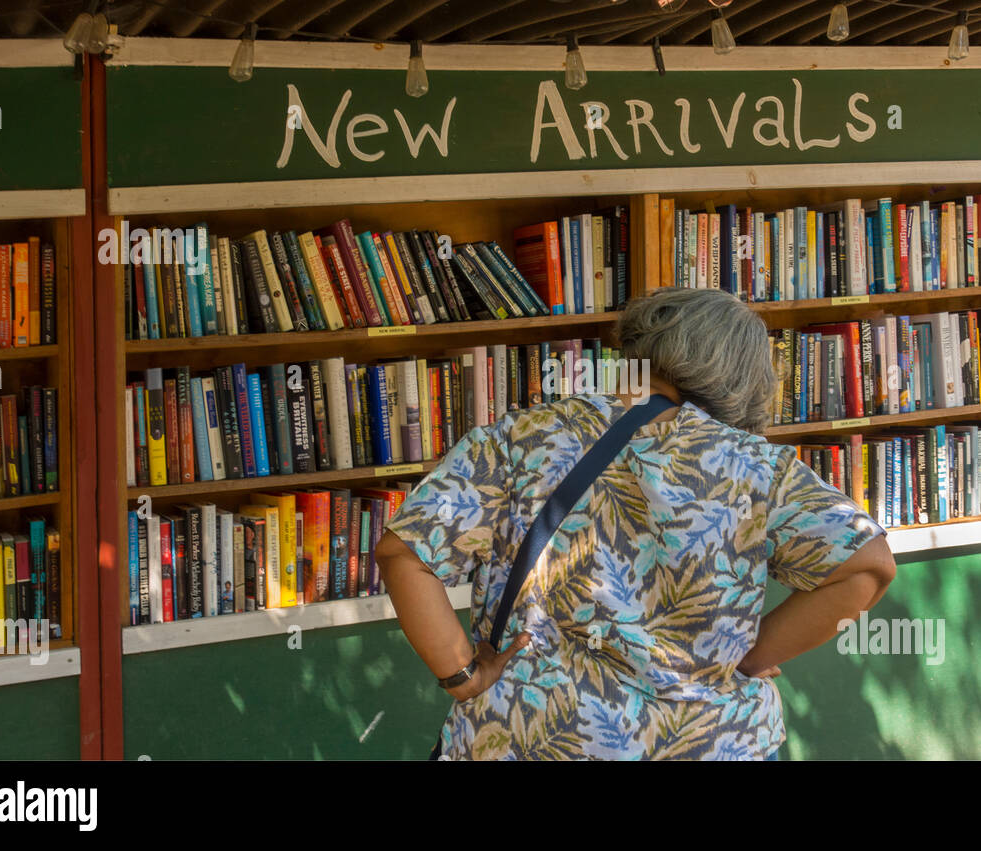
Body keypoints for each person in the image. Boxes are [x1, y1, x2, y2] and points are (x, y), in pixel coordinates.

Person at [378, 286, 896, 760]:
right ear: (743, 379)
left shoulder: (521, 437)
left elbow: (402, 553)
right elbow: (868, 566)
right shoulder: (760, 469)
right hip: (708, 743)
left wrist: (463, 675)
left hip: (527, 738)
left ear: (639, 347)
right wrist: (748, 658)